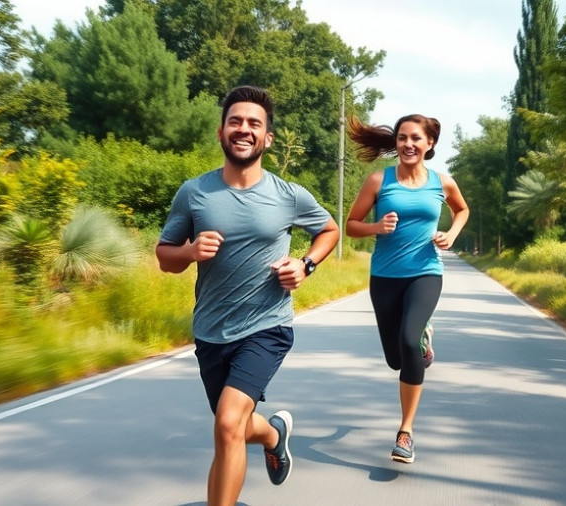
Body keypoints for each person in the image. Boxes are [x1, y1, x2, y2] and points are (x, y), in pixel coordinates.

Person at [156, 85, 339, 505]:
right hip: (211, 331)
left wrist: (305, 265)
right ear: (221, 132)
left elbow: (330, 230)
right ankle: (274, 435)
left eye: (254, 123)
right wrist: (189, 250)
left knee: (225, 426)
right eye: (235, 121)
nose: (244, 129)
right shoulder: (195, 192)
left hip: (266, 327)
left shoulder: (288, 195)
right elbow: (166, 257)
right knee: (235, 427)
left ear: (267, 138)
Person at [345, 114, 469, 464]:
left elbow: (462, 210)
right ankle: (421, 342)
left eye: (416, 138)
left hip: (425, 272)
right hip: (384, 276)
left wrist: (451, 234)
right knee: (396, 358)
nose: (408, 144)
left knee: (409, 341)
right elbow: (351, 226)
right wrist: (376, 228)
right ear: (396, 143)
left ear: (429, 143)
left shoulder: (441, 183)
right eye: (402, 138)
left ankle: (405, 432)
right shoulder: (377, 181)